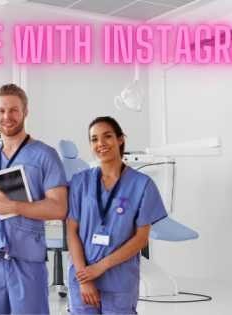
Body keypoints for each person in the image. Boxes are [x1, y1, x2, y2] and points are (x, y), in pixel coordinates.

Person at [0, 83, 68, 314]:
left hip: (27, 258)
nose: (7, 117)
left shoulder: (45, 156)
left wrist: (14, 206)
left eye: (13, 110)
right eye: (1, 111)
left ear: (25, 112)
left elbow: (59, 208)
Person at [66, 116, 168, 315]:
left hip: (119, 280)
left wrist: (100, 267)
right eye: (94, 139)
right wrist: (85, 278)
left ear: (121, 139)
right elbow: (72, 232)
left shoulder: (142, 185)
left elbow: (141, 239)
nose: (101, 143)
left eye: (107, 136)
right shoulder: (80, 182)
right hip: (83, 277)